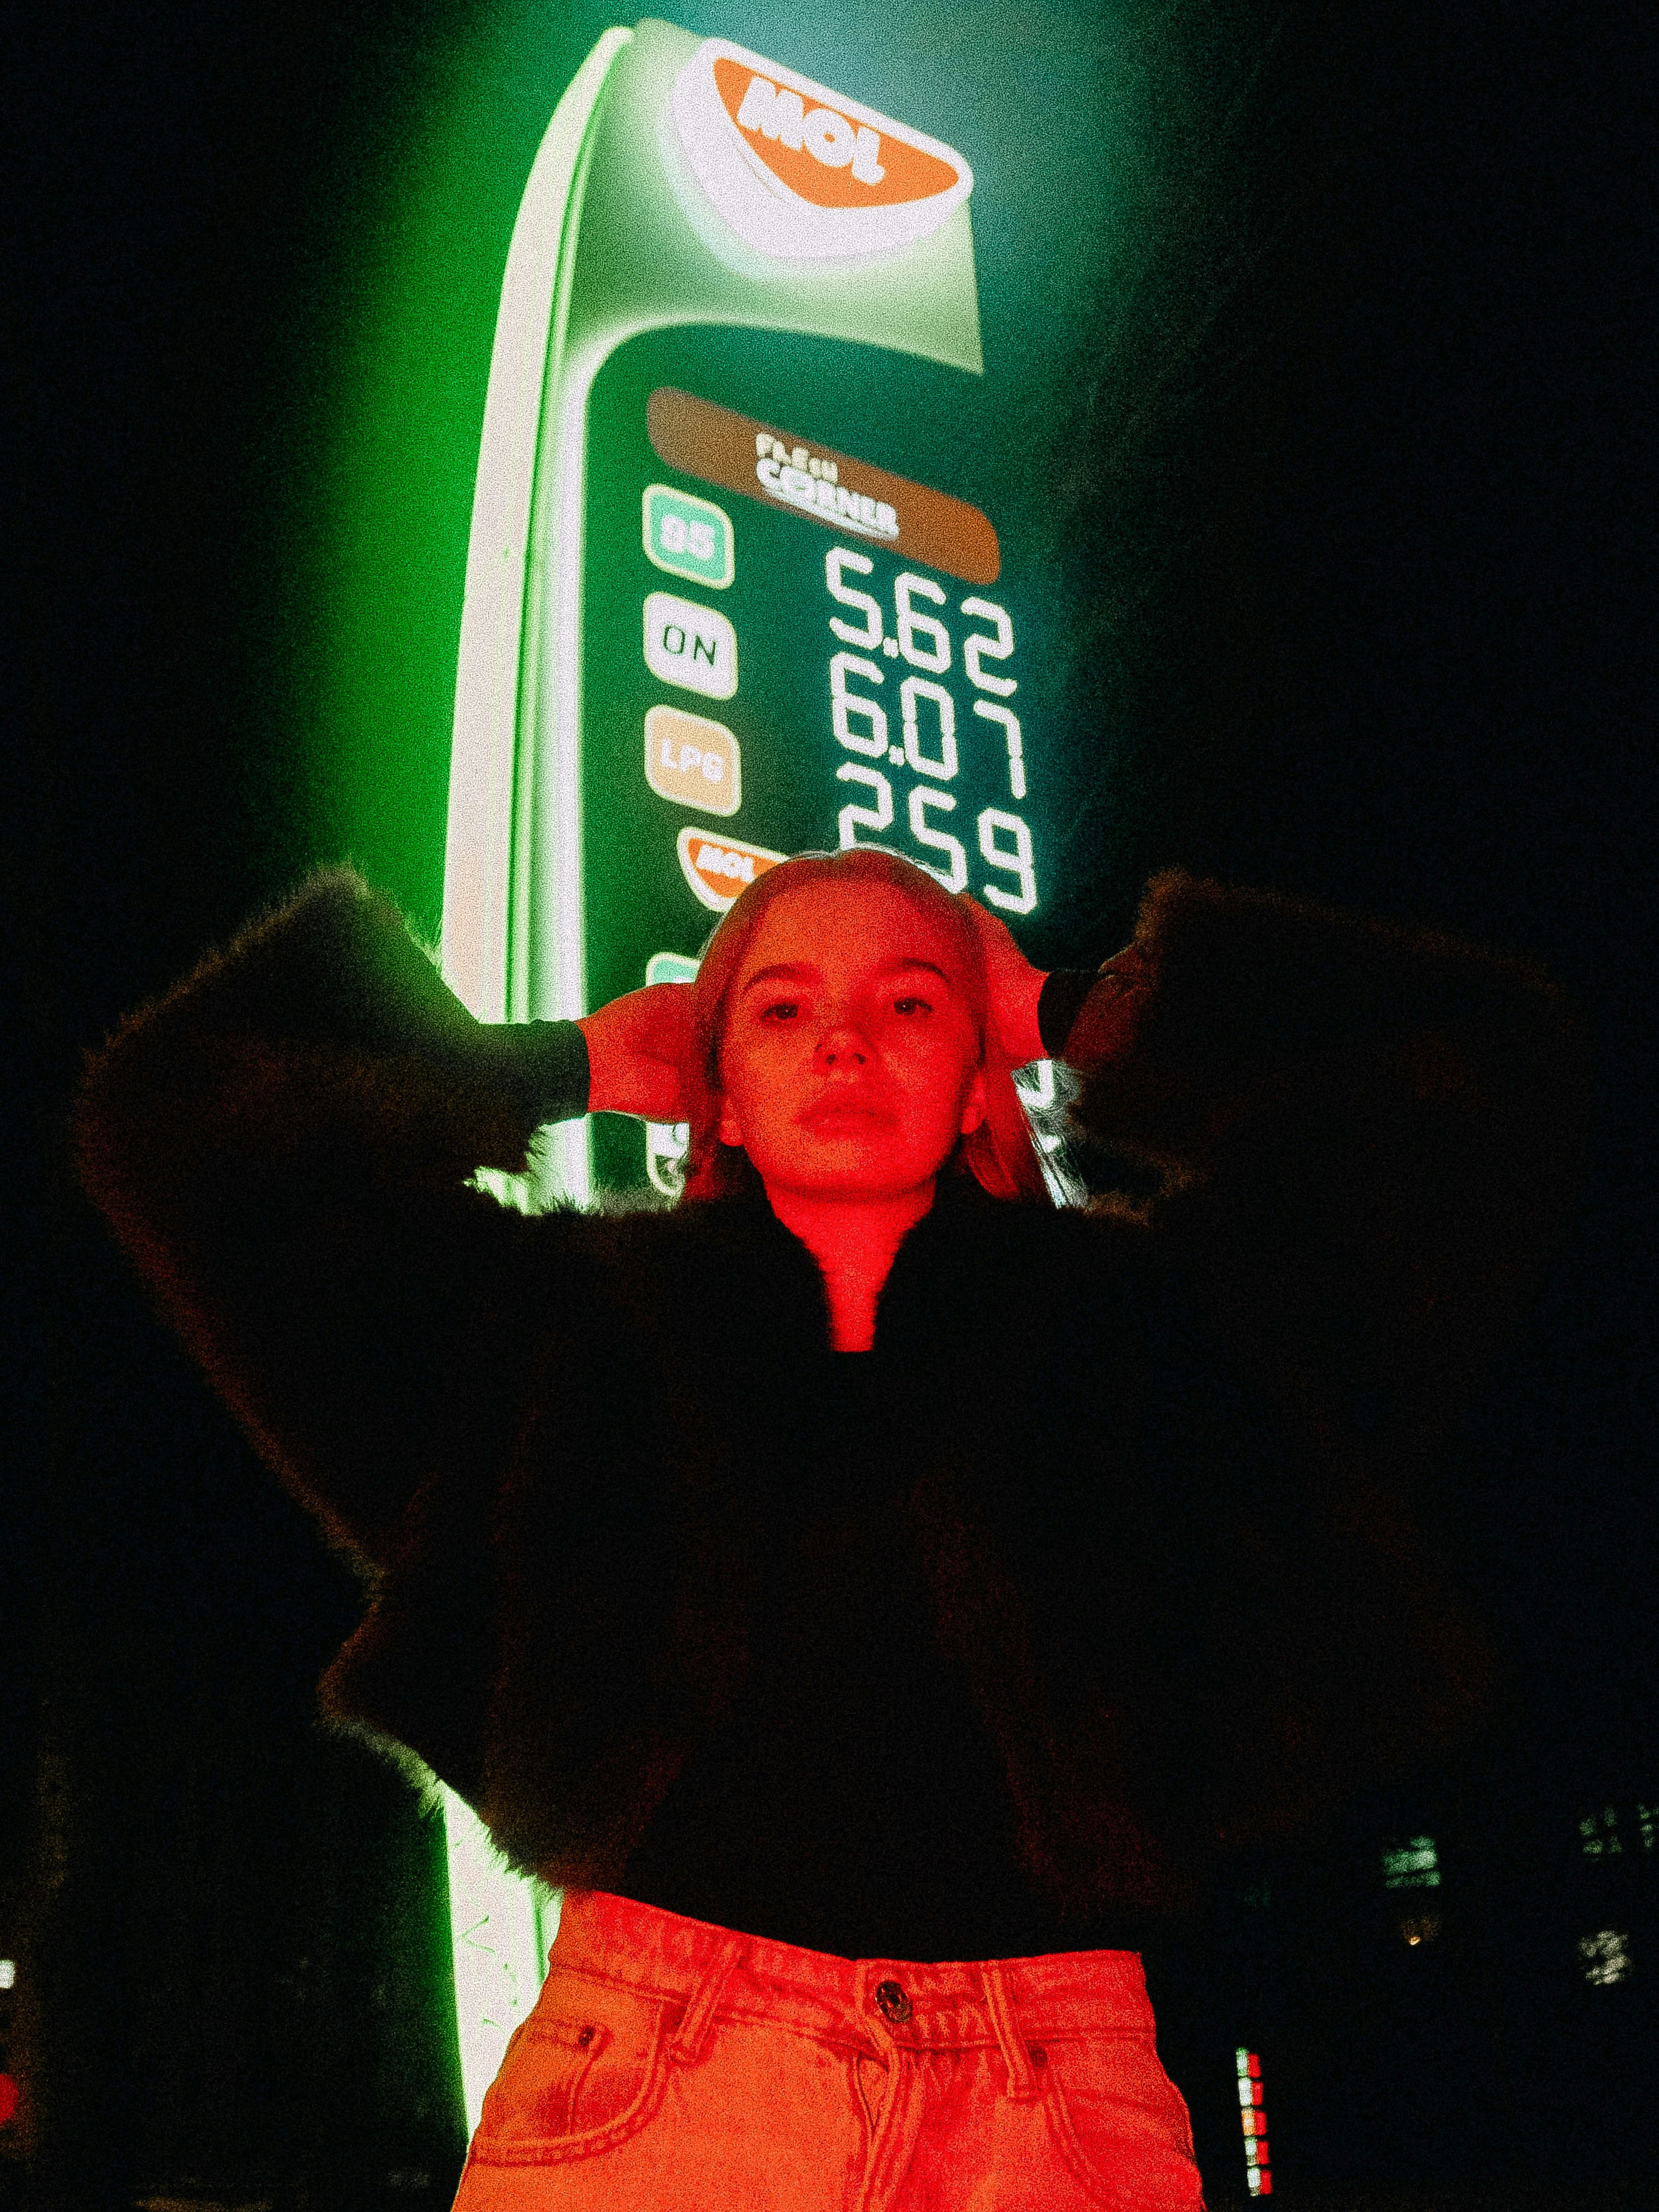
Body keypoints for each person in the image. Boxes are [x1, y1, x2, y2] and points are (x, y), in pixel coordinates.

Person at [75, 848, 1584, 2208]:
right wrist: (570, 1058)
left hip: (1056, 2114)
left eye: (912, 1006)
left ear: (977, 1076)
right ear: (717, 1084)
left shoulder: (1155, 1345)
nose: (846, 1040)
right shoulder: (551, 1345)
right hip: (657, 2090)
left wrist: (1062, 1006)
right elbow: (177, 1121)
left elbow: (1481, 1086)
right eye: (782, 1009)